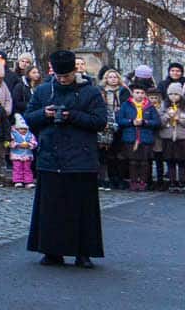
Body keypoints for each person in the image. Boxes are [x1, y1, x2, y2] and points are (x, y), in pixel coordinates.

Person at [26, 50, 107, 266]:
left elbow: (100, 121)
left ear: (75, 72)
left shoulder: (90, 92)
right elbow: (29, 118)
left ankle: (83, 252)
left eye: (67, 77)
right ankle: (52, 251)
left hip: (81, 159)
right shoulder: (44, 90)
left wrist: (73, 116)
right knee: (52, 209)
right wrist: (46, 114)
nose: (63, 80)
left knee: (83, 209)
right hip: (51, 157)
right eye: (59, 77)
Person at [116, 82, 159, 192]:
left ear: (145, 94)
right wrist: (131, 121)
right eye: (137, 92)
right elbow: (120, 120)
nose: (139, 95)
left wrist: (145, 122)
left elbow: (156, 122)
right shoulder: (126, 105)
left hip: (145, 138)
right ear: (132, 93)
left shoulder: (150, 106)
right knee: (133, 161)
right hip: (131, 137)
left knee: (144, 161)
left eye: (142, 93)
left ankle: (143, 182)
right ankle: (133, 181)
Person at [96, 67, 127, 189]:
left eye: (115, 77)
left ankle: (119, 178)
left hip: (120, 120)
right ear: (106, 79)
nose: (113, 79)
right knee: (106, 152)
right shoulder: (102, 91)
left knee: (119, 152)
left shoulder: (123, 91)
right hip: (107, 122)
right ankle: (107, 177)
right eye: (110, 77)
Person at [159, 82, 185, 192]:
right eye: (171, 94)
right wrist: (167, 116)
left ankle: (182, 182)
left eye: (176, 94)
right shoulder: (164, 106)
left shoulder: (183, 108)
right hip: (168, 138)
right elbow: (159, 123)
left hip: (181, 138)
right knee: (170, 161)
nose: (173, 96)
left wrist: (179, 119)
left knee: (182, 161)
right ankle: (172, 181)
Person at [9, 114, 37, 188]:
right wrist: (18, 144)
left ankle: (28, 181)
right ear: (17, 129)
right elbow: (10, 143)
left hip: (27, 155)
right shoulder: (13, 134)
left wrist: (29, 144)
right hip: (16, 154)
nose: (23, 130)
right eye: (21, 129)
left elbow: (34, 142)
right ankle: (18, 181)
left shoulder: (30, 135)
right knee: (17, 168)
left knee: (27, 168)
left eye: (25, 129)